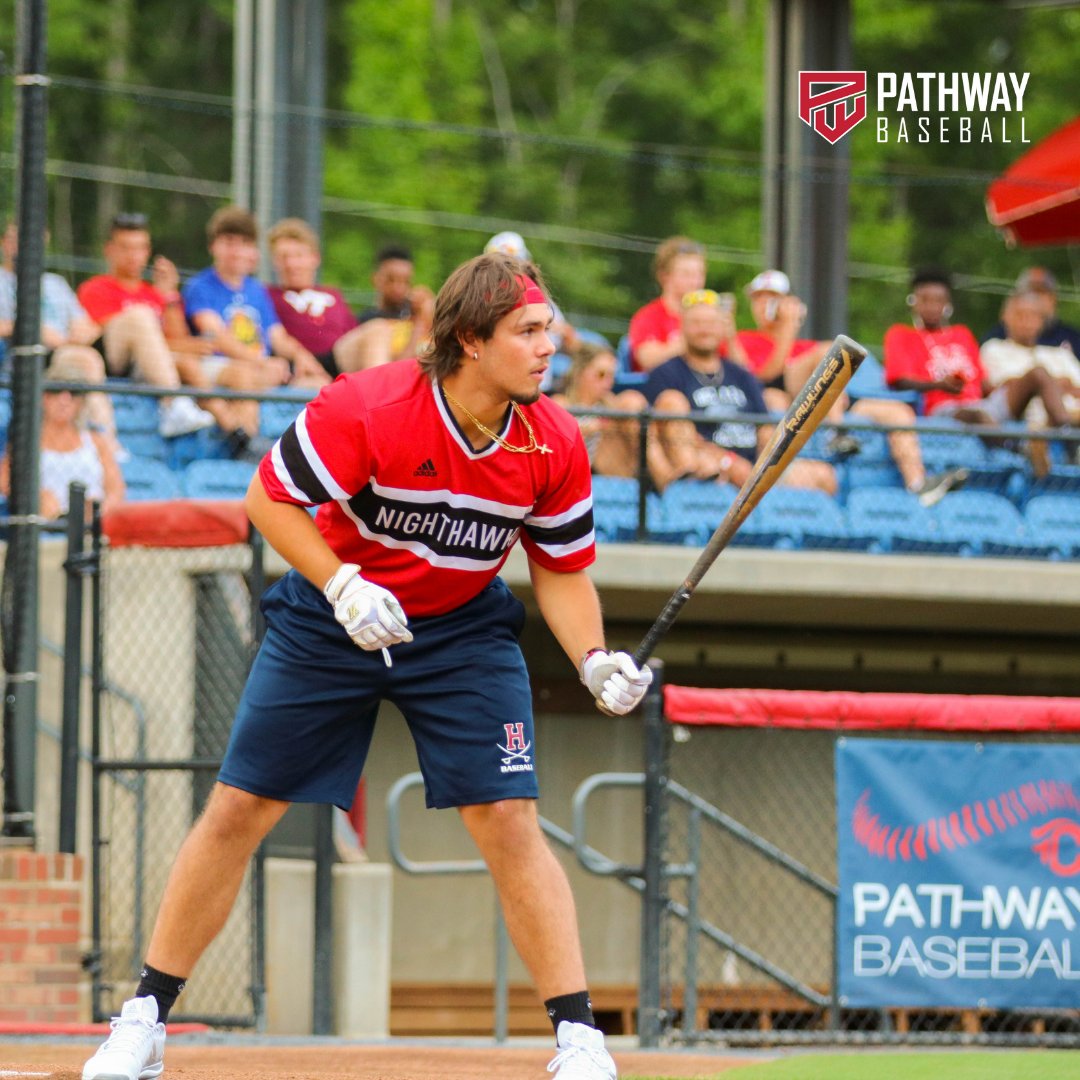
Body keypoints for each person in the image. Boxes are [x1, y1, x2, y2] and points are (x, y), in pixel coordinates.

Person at [82, 252, 651, 1080]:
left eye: (548, 332)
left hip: (461, 635)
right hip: (330, 621)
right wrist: (341, 582)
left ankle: (579, 1039)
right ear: (468, 340)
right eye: (528, 332)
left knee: (508, 821)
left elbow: (562, 570)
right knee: (240, 807)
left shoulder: (553, 437)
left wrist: (595, 659)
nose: (546, 349)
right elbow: (267, 499)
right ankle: (144, 1018)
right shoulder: (370, 405)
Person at [738, 269, 966, 505]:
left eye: (773, 298)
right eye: (759, 298)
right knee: (827, 353)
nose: (766, 305)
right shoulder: (743, 339)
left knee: (898, 412)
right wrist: (787, 327)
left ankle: (918, 484)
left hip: (834, 402)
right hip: (790, 398)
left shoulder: (806, 344)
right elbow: (762, 377)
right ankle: (836, 432)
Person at [644, 289, 837, 495]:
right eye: (696, 323)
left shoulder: (741, 375)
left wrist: (766, 466)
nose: (704, 329)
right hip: (707, 462)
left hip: (753, 466)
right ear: (682, 327)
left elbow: (764, 428)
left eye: (711, 323)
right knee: (705, 469)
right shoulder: (666, 373)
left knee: (823, 476)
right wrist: (728, 461)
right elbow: (663, 434)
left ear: (722, 328)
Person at [76, 212, 245, 439]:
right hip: (118, 362)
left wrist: (169, 296)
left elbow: (180, 338)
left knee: (224, 370)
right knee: (140, 317)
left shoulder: (154, 293)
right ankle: (173, 402)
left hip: (160, 365)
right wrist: (181, 346)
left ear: (148, 251)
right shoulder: (96, 288)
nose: (133, 255)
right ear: (110, 250)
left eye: (139, 248)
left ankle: (238, 435)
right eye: (125, 247)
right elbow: (99, 335)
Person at [884, 269, 1076, 435]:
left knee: (1038, 372)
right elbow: (900, 380)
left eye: (939, 300)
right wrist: (939, 385)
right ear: (914, 302)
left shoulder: (962, 334)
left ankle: (1069, 438)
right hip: (943, 408)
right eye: (926, 300)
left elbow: (984, 382)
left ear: (948, 304)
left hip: (983, 405)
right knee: (976, 415)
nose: (933, 306)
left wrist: (1012, 388)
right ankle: (1022, 447)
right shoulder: (901, 334)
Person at [0, 221, 118, 446]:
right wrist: (28, 327)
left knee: (85, 356)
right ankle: (106, 440)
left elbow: (88, 326)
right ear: (4, 243)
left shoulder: (55, 284)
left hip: (65, 353)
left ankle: (99, 439)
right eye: (16, 239)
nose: (24, 246)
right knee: (87, 359)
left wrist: (79, 333)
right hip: (25, 358)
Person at [0, 356, 125, 521]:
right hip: (45, 521)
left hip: (88, 522)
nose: (64, 400)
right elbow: (5, 482)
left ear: (81, 401)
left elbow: (116, 489)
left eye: (73, 393)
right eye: (56, 391)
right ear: (44, 397)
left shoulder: (95, 441)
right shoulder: (26, 440)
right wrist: (34, 498)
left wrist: (100, 513)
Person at [551, 340, 683, 488]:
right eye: (601, 375)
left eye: (611, 376)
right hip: (581, 470)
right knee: (630, 402)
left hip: (620, 468)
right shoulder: (562, 402)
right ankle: (667, 481)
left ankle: (676, 475)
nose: (608, 383)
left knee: (665, 401)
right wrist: (594, 427)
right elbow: (554, 443)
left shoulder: (609, 402)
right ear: (579, 373)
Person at [266, 217, 372, 378]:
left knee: (378, 329)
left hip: (339, 359)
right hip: (301, 368)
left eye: (298, 255)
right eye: (284, 257)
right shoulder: (268, 295)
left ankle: (379, 396)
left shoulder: (333, 296)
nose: (291, 264)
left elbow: (354, 336)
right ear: (275, 262)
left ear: (314, 258)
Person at [628, 236, 749, 373]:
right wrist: (696, 335)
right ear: (664, 276)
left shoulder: (711, 316)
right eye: (686, 274)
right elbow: (648, 361)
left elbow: (743, 371)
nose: (695, 282)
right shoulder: (649, 316)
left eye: (700, 274)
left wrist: (730, 338)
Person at [484, 231, 579, 359]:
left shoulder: (539, 300)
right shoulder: (480, 301)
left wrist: (554, 329)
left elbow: (572, 342)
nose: (507, 274)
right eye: (500, 268)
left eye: (513, 265)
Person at [349, 243, 435, 369]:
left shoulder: (415, 313)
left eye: (406, 281)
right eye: (391, 280)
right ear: (375, 279)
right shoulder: (368, 322)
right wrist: (418, 324)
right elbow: (391, 372)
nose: (399, 288)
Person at [981, 267, 1080, 355]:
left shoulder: (1072, 338)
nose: (1036, 299)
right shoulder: (996, 339)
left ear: (1053, 299)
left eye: (1042, 293)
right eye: (1031, 291)